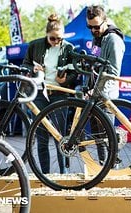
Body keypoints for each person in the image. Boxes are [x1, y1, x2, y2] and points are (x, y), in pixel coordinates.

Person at [22, 13, 78, 173]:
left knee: (60, 137)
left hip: (60, 93)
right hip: (40, 93)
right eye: (53, 38)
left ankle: (64, 174)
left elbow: (75, 73)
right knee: (41, 137)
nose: (56, 42)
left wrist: (65, 80)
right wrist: (32, 69)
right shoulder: (35, 45)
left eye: (59, 38)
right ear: (46, 35)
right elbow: (25, 64)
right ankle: (45, 175)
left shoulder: (68, 48)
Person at [86, 5, 125, 164]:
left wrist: (97, 91)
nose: (93, 30)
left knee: (107, 135)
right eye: (90, 27)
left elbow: (113, 72)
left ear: (105, 21)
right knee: (98, 136)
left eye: (96, 26)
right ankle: (103, 165)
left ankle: (112, 167)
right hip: (95, 92)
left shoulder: (113, 39)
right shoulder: (99, 38)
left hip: (105, 94)